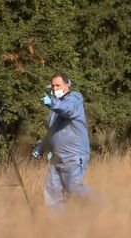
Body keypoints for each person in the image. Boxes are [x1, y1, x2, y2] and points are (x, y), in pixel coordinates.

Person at [32, 73, 92, 210]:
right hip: (57, 157)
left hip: (74, 155)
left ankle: (103, 204)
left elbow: (67, 109)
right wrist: (42, 146)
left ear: (67, 85)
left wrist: (52, 103)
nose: (54, 89)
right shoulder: (54, 109)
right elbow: (53, 131)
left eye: (58, 85)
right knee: (52, 194)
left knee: (74, 188)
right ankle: (58, 227)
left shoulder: (74, 99)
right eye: (52, 86)